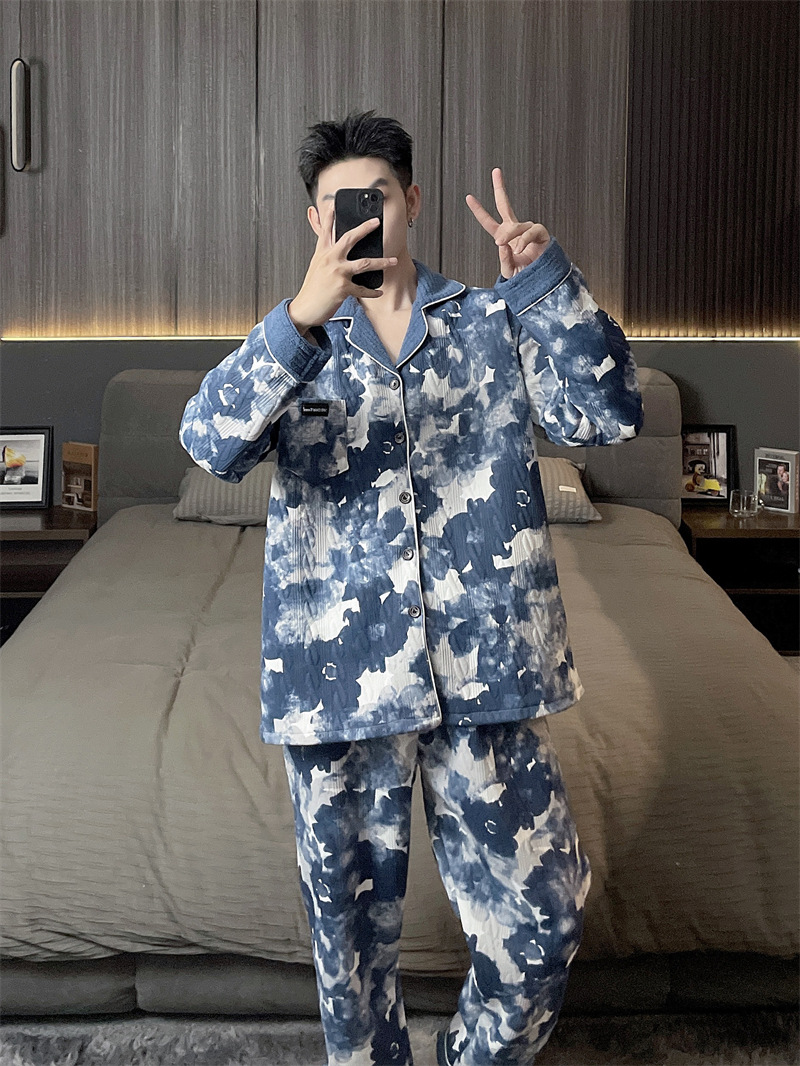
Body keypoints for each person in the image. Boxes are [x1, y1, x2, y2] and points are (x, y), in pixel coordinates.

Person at [179, 110, 644, 1066]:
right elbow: (208, 444)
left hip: (488, 677)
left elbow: (607, 415)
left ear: (413, 201)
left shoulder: (492, 323)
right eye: (341, 205)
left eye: (379, 198)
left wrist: (546, 283)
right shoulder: (294, 341)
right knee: (350, 967)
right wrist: (299, 319)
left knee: (544, 924)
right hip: (337, 687)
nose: (363, 219)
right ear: (317, 221)